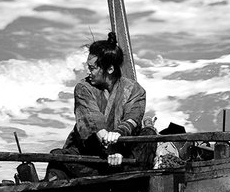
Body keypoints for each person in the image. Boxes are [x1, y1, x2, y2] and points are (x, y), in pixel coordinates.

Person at [44, 32, 154, 181]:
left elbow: (132, 119)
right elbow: (94, 122)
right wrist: (110, 149)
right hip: (93, 157)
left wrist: (119, 136)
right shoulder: (83, 88)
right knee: (57, 156)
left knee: (149, 134)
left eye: (93, 68)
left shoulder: (135, 90)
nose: (88, 73)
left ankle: (129, 178)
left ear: (109, 69)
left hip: (123, 156)